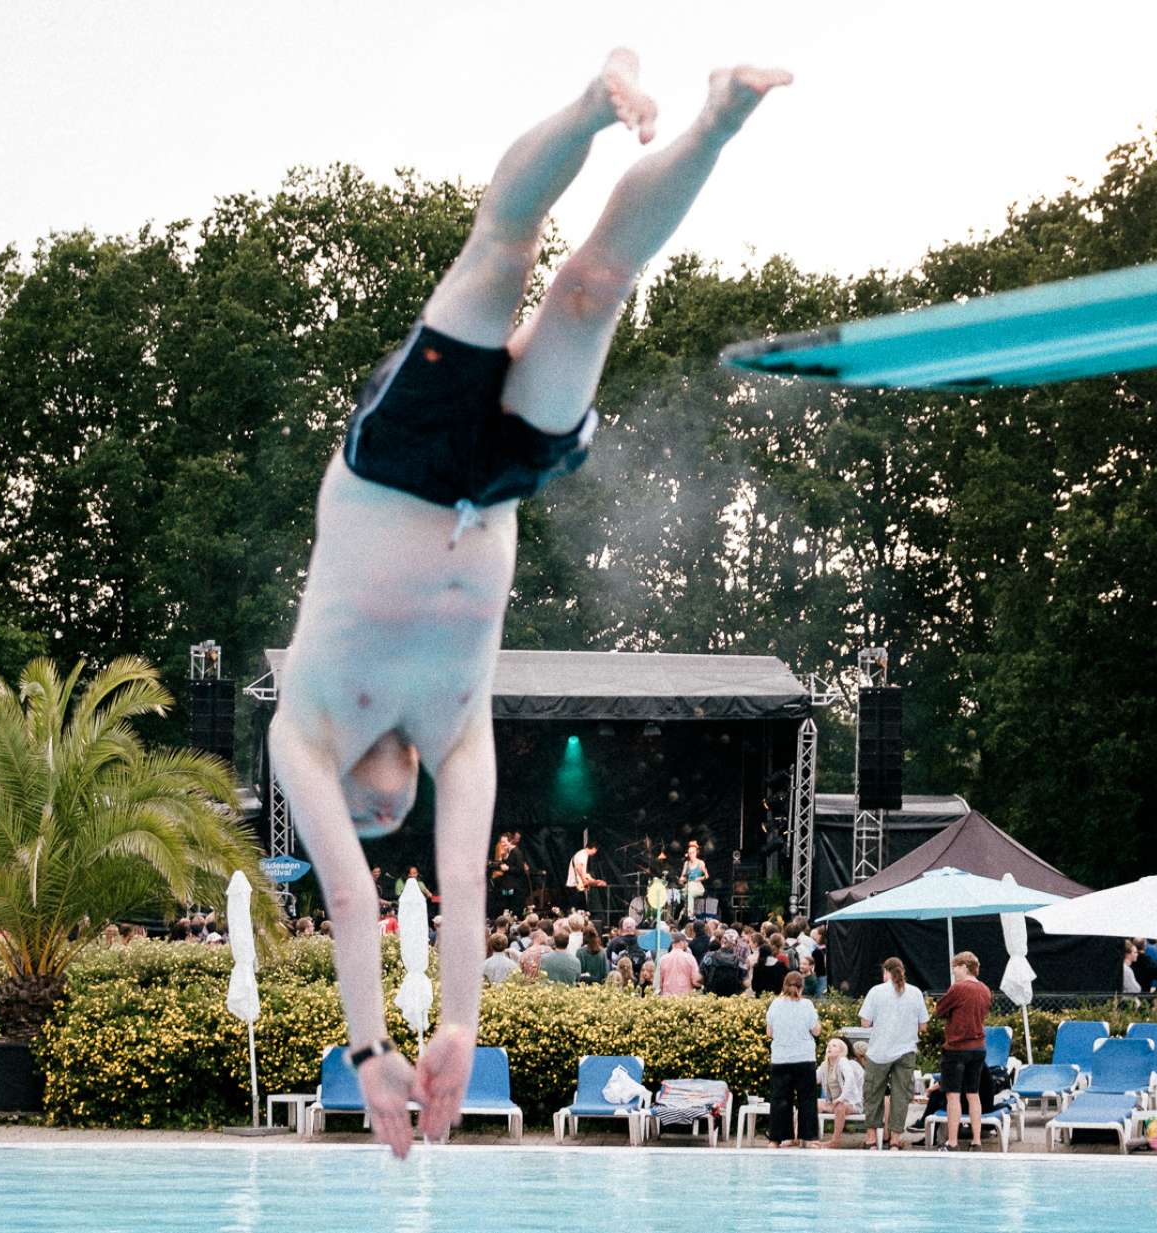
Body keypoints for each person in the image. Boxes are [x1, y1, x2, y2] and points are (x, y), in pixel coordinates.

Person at [265, 49, 790, 1158]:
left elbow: (354, 906)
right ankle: (715, 124)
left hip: (394, 464)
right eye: (374, 825)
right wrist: (458, 1024)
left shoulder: (301, 727)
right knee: (592, 288)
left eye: (355, 826)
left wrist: (372, 1056)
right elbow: (456, 883)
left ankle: (596, 103)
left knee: (499, 251)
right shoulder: (456, 737)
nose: (366, 826)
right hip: (496, 482)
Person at [858, 957, 928, 1149]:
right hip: (906, 1050)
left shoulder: (876, 991)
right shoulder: (915, 993)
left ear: (885, 972)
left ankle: (871, 1139)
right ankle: (895, 1140)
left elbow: (865, 1022)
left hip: (879, 1051)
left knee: (873, 1094)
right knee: (900, 1096)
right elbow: (923, 1026)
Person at [934, 951, 992, 1151]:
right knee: (973, 1094)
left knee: (953, 1095)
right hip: (978, 1048)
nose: (954, 971)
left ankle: (952, 1142)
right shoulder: (985, 989)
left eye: (955, 967)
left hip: (956, 1048)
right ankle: (976, 1141)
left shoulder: (958, 988)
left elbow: (939, 1010)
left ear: (965, 967)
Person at [765, 971, 822, 1148]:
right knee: (807, 1099)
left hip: (781, 1058)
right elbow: (816, 1031)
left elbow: (769, 1032)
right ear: (801, 986)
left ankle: (777, 1139)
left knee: (780, 1100)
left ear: (784, 985)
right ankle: (809, 1138)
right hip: (804, 1057)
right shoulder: (807, 1005)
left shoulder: (775, 1004)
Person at [817, 1037, 866, 1148]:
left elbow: (850, 1080)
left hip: (851, 1104)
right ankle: (798, 1137)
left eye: (834, 1045)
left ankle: (835, 1141)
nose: (830, 1047)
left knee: (840, 1106)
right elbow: (813, 1079)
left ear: (841, 1051)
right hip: (833, 1103)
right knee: (809, 1103)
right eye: (829, 1045)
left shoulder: (844, 1062)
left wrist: (841, 1098)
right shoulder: (824, 1065)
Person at [656, 928, 702, 996]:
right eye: (686, 942)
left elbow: (658, 983)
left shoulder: (662, 959)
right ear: (681, 942)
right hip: (685, 998)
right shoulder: (690, 958)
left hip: (667, 999)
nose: (687, 944)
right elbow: (696, 981)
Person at [680, 841, 709, 919]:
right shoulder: (686, 863)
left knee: (690, 892)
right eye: (689, 853)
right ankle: (682, 914)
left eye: (692, 853)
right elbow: (682, 877)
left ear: (696, 853)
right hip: (688, 886)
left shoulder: (700, 863)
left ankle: (690, 914)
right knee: (678, 894)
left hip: (698, 887)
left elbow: (706, 876)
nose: (691, 855)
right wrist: (682, 879)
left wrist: (698, 878)